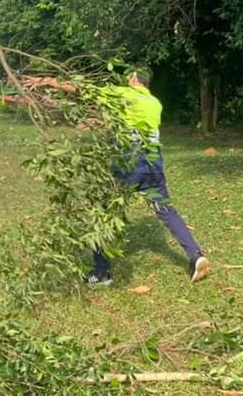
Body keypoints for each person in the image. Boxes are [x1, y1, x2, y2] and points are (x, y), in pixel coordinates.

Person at [24, 69, 210, 286]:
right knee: (167, 212)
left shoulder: (123, 93)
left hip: (129, 162)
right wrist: (98, 123)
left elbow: (82, 88)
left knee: (102, 214)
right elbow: (129, 124)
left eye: (127, 78)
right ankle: (196, 255)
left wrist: (44, 80)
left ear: (133, 79)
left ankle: (102, 273)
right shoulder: (154, 103)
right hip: (153, 161)